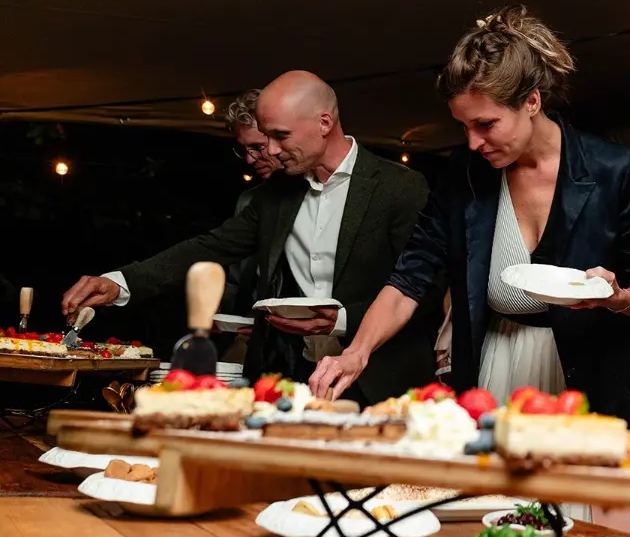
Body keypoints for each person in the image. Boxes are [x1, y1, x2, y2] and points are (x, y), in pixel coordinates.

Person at [309, 5, 630, 433]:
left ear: (532, 101)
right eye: (463, 127)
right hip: (495, 373)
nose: (473, 142)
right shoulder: (464, 173)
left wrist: (616, 298)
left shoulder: (613, 169)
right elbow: (410, 278)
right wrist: (357, 352)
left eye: (486, 124)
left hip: (592, 383)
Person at [60, 70, 435, 403]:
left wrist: (340, 319)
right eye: (266, 137)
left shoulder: (399, 188)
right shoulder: (276, 195)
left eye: (280, 136)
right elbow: (210, 247)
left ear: (324, 122)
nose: (270, 151)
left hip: (382, 384)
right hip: (296, 382)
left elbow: (426, 293)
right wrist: (119, 283)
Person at [221, 89, 280, 320]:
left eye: (257, 147)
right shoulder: (248, 200)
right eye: (244, 149)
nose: (249, 159)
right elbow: (236, 276)